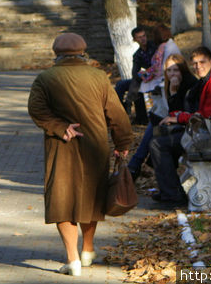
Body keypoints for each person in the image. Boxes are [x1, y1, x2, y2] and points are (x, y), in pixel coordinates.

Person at [28, 33, 133, 275]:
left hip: (61, 146)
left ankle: (72, 259)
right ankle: (87, 250)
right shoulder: (98, 77)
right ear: (83, 52)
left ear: (56, 54)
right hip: (95, 145)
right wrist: (123, 141)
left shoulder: (45, 78)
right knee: (90, 197)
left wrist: (60, 127)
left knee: (62, 200)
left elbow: (36, 110)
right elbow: (116, 113)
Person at [149, 46, 211, 207]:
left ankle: (173, 195)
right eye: (195, 64)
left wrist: (179, 118)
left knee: (158, 144)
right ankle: (171, 192)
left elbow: (207, 117)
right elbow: (202, 115)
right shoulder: (209, 81)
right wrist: (178, 116)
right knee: (160, 135)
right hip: (210, 134)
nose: (198, 67)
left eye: (202, 62)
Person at [127, 53, 197, 179]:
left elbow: (184, 111)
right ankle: (134, 166)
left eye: (176, 70)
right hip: (180, 123)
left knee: (156, 134)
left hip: (190, 128)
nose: (172, 74)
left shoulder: (190, 84)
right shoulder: (171, 84)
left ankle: (134, 166)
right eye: (169, 70)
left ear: (183, 69)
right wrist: (172, 91)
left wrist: (173, 92)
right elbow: (173, 111)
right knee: (155, 121)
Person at [114, 26, 157, 125]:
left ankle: (129, 102)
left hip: (155, 76)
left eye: (144, 36)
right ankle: (120, 111)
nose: (143, 39)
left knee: (136, 83)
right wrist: (141, 75)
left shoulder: (154, 47)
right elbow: (135, 72)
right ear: (134, 39)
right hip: (143, 79)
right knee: (121, 84)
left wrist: (144, 73)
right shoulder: (138, 54)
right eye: (139, 37)